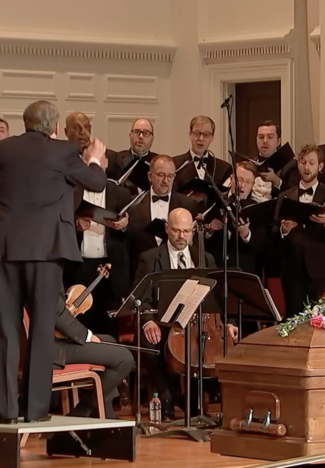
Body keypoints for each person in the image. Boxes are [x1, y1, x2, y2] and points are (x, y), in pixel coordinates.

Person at [0, 100, 108, 424]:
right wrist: (93, 160)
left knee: (3, 328)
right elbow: (96, 183)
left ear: (25, 123)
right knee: (41, 329)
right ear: (54, 127)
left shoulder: (6, 148)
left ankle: (3, 409)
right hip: (45, 250)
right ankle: (35, 409)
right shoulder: (63, 152)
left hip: (3, 248)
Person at [134, 207, 238, 419]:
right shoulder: (150, 258)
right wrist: (147, 322)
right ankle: (167, 396)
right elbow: (139, 298)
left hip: (199, 322)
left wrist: (228, 323)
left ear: (192, 230)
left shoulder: (205, 258)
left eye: (186, 231)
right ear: (166, 229)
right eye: (176, 231)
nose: (182, 236)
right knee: (148, 341)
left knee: (205, 344)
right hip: (164, 321)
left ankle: (195, 400)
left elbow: (218, 297)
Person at [64, 112, 134, 338]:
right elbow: (57, 225)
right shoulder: (70, 192)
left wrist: (123, 224)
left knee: (108, 332)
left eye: (99, 159)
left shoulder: (121, 194)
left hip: (110, 274)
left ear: (104, 163)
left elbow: (137, 231)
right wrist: (76, 225)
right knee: (78, 330)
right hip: (78, 270)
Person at [274, 144, 325, 318]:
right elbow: (273, 232)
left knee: (321, 319)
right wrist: (283, 229)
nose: (306, 167)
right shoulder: (285, 196)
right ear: (298, 165)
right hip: (292, 270)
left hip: (320, 269)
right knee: (293, 320)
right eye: (303, 162)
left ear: (320, 167)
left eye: (311, 163)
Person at [53, 293, 134, 419]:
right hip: (54, 349)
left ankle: (104, 413)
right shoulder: (47, 274)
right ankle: (87, 406)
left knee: (110, 340)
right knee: (124, 358)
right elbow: (57, 314)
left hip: (56, 341)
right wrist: (87, 336)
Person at [173, 115, 232, 195]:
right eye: (197, 133)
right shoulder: (175, 164)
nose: (201, 138)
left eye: (206, 134)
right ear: (190, 135)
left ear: (212, 137)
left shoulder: (224, 168)